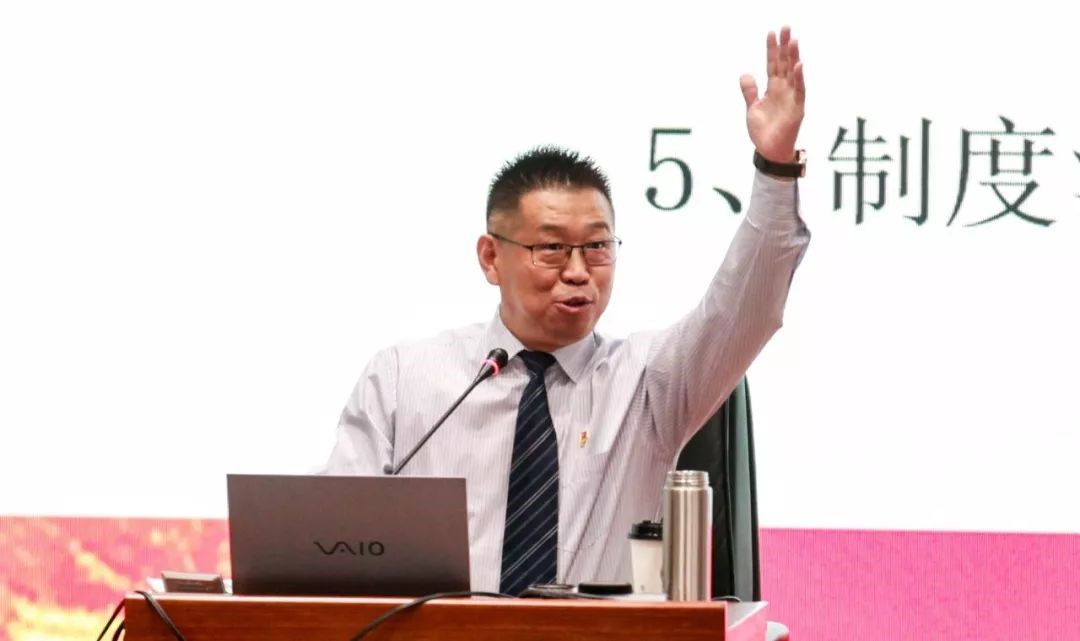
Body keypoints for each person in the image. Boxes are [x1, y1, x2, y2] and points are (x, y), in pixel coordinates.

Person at [323, 26, 809, 595]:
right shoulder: (405, 379)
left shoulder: (649, 381)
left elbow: (746, 303)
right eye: (552, 248)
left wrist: (775, 169)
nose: (579, 271)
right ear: (491, 257)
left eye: (597, 246)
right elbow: (330, 539)